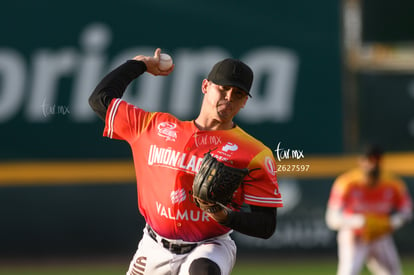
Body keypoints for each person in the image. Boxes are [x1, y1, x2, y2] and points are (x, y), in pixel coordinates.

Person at [89, 48, 283, 275]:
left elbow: (266, 225)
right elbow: (99, 99)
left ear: (244, 103)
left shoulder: (254, 153)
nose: (229, 97)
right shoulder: (152, 127)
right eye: (223, 88)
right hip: (154, 246)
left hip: (210, 246)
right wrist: (139, 64)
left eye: (238, 94)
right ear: (205, 87)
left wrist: (225, 216)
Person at [325, 144, 413, 275]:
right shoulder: (347, 183)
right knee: (348, 272)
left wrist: (394, 221)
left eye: (376, 159)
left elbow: (407, 211)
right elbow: (331, 219)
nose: (372, 164)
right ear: (361, 161)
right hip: (354, 235)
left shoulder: (393, 183)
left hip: (380, 235)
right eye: (369, 159)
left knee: (394, 273)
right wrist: (360, 221)